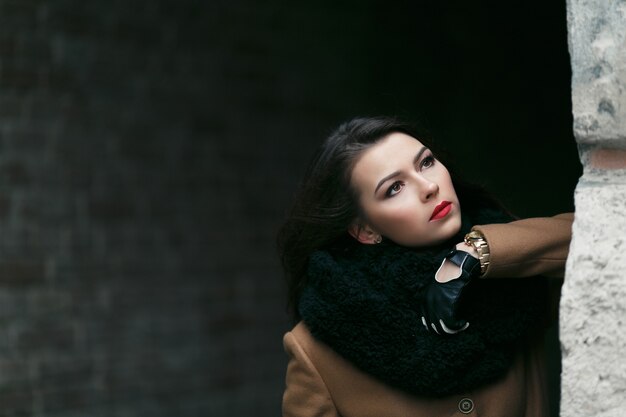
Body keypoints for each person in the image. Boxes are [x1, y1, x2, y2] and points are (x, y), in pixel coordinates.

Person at [277, 116, 574, 417]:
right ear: (365, 230)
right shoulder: (317, 350)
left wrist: (476, 252)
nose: (429, 186)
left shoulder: (512, 275)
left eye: (426, 162)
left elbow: (602, 233)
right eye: (394, 188)